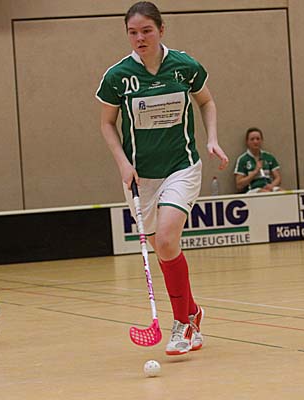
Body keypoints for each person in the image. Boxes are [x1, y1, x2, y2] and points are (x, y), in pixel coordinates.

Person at [96, 1, 229, 356]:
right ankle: (193, 311)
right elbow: (107, 124)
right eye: (133, 33)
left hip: (181, 167)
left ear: (161, 30)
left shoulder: (184, 66)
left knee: (168, 239)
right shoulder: (118, 76)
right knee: (164, 250)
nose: (139, 38)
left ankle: (182, 325)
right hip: (140, 178)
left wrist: (212, 138)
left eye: (146, 31)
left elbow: (206, 102)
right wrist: (122, 163)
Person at [234, 127, 283, 193]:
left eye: (258, 139)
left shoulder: (269, 157)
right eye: (252, 139)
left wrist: (271, 186)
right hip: (253, 190)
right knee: (265, 193)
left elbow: (278, 178)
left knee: (282, 192)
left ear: (262, 140)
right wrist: (255, 172)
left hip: (269, 188)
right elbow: (239, 185)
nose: (255, 141)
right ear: (247, 142)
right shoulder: (242, 159)